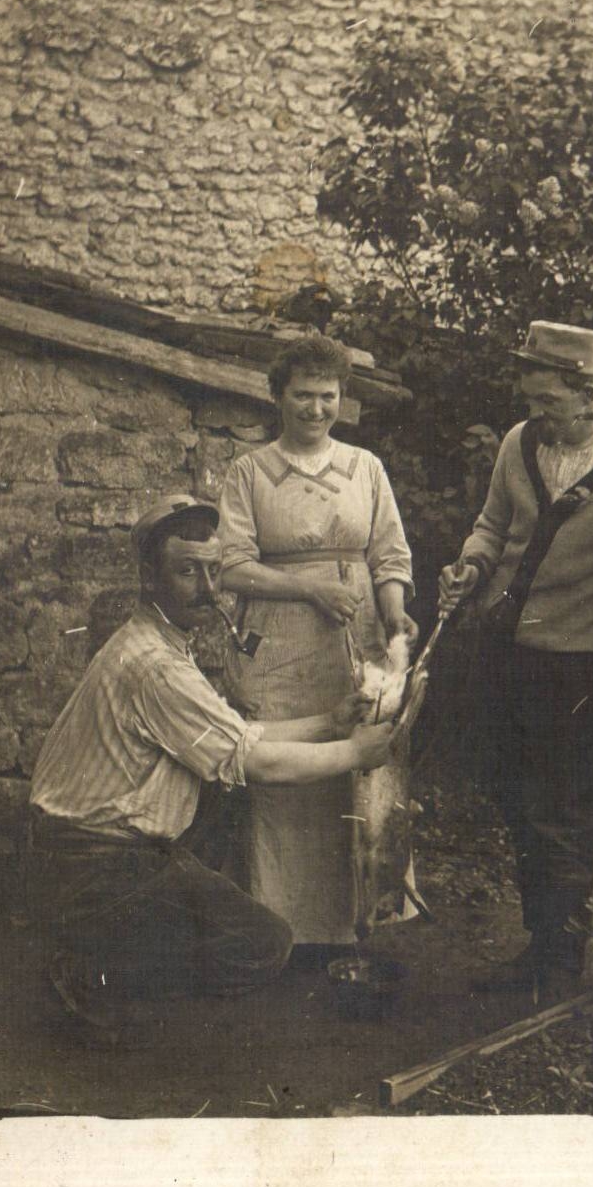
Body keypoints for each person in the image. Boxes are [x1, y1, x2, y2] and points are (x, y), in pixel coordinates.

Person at [27, 493, 393, 1047]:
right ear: (150, 579)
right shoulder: (154, 666)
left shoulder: (162, 644)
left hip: (100, 848)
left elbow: (235, 736)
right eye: (186, 571)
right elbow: (257, 761)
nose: (208, 587)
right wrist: (357, 753)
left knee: (219, 811)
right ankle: (95, 972)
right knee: (262, 946)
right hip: (94, 861)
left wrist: (332, 722)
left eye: (214, 571)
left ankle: (111, 943)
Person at [438, 321, 593, 995]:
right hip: (508, 654)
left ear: (589, 392)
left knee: (568, 813)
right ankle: (537, 946)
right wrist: (471, 565)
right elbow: (492, 525)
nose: (537, 415)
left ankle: (563, 964)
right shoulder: (519, 443)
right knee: (517, 800)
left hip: (580, 669)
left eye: (550, 402)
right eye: (532, 400)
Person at [217, 334, 416, 950]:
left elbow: (388, 555)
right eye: (302, 395)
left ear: (342, 399)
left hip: (350, 642)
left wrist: (394, 617)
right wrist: (307, 590)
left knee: (353, 768)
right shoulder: (249, 471)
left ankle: (353, 926)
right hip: (274, 647)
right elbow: (230, 566)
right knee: (286, 772)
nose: (315, 408)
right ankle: (280, 931)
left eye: (327, 396)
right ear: (277, 396)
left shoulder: (365, 468)